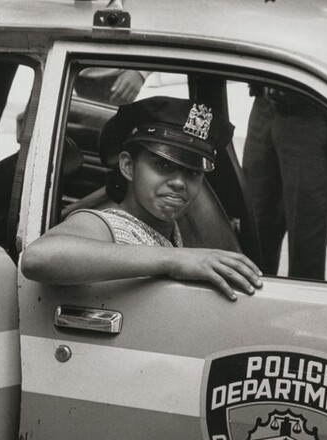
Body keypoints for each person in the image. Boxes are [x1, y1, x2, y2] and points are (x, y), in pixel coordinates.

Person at [21, 96, 263, 300]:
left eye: (193, 172)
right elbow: (38, 257)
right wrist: (174, 260)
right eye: (163, 164)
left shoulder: (172, 229)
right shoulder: (114, 225)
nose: (179, 182)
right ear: (127, 166)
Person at [242, 84, 327, 280]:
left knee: (307, 246)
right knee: (253, 235)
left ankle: (302, 308)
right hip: (264, 101)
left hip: (311, 112)